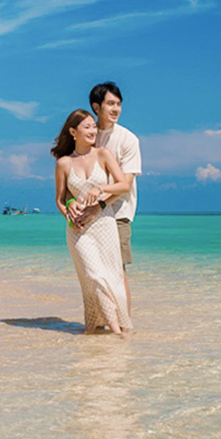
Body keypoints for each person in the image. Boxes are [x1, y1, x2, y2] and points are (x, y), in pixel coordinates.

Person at [52, 108, 134, 336]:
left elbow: (123, 185)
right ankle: (117, 332)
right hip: (78, 229)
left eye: (94, 126)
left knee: (113, 277)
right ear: (73, 131)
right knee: (93, 275)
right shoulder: (64, 164)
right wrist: (68, 207)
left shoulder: (103, 154)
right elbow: (59, 200)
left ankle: (106, 330)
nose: (92, 130)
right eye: (86, 126)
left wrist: (101, 188)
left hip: (105, 224)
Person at [89, 81, 141, 323]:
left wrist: (99, 205)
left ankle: (124, 324)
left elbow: (126, 184)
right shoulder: (88, 133)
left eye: (118, 104)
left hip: (118, 212)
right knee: (94, 272)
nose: (116, 109)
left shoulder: (128, 139)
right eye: (110, 103)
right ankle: (101, 322)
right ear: (95, 106)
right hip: (90, 214)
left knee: (118, 272)